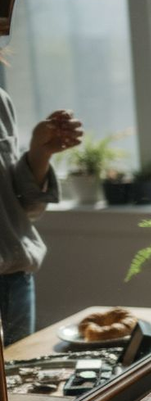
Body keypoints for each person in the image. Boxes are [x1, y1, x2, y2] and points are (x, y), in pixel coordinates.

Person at [0, 76, 83, 345]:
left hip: (15, 280)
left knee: (19, 383)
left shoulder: (1, 101)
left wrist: (40, 153)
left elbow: (22, 210)